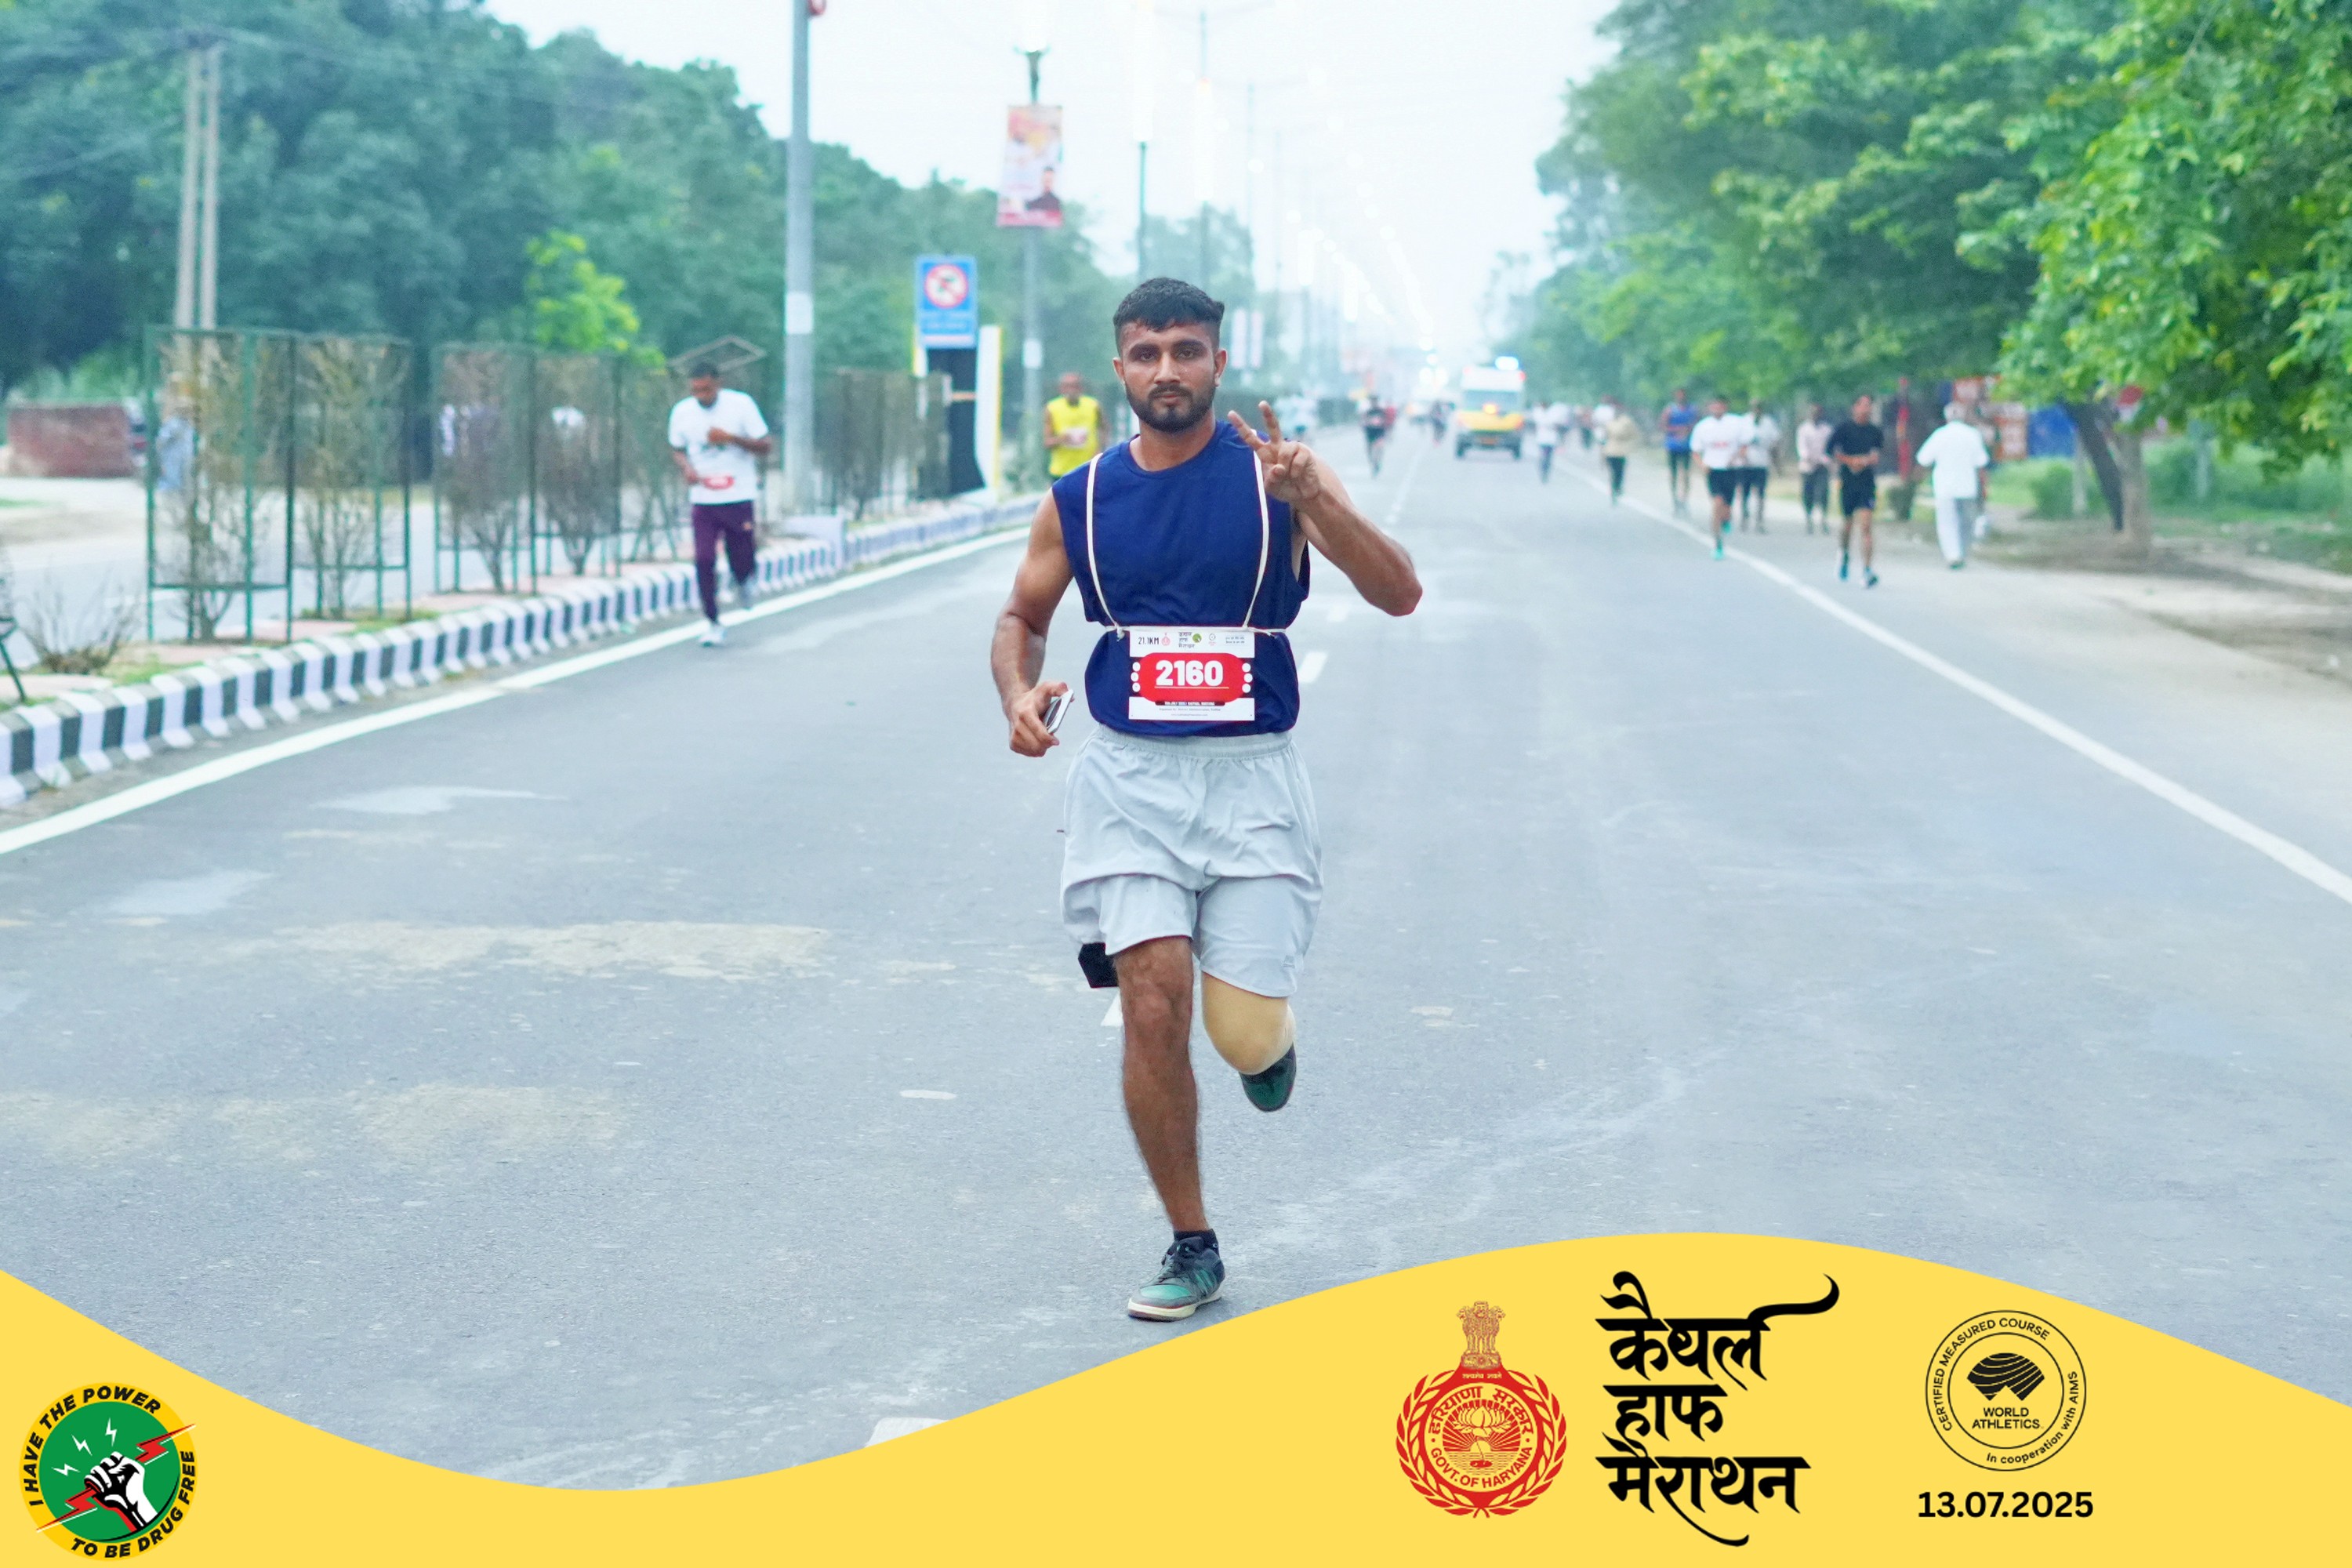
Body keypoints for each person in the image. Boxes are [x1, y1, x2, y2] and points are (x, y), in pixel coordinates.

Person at [990, 278, 1422, 1323]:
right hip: (1129, 782)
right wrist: (1017, 693)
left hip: (1252, 778)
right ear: (1121, 370)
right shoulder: (1081, 497)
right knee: (1151, 994)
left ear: (1219, 363)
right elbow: (1022, 616)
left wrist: (1316, 501)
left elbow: (1400, 591)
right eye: (1147, 354)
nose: (1168, 371)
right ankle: (1192, 1241)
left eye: (1187, 350)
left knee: (1240, 1034)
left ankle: (1265, 1043)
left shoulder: (1280, 476)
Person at [668, 361, 773, 647]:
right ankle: (713, 621)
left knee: (741, 554)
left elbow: (765, 446)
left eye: (706, 389)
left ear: (718, 384)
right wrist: (687, 468)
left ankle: (744, 580)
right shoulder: (682, 412)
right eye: (696, 391)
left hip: (738, 494)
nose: (701, 396)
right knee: (704, 559)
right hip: (704, 498)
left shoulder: (741, 405)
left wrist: (732, 439)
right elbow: (677, 448)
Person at [1915, 402, 1992, 568]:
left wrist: (1917, 478)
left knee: (1947, 522)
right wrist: (1984, 486)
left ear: (1947, 416)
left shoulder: (1940, 435)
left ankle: (1953, 555)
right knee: (1967, 523)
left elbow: (1923, 459)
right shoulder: (1972, 434)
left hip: (1945, 487)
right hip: (1967, 486)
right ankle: (1962, 553)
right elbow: (1981, 463)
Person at [1688, 395, 1756, 559]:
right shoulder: (1703, 427)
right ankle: (1717, 543)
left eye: (1720, 406)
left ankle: (1727, 518)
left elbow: (1745, 444)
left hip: (1731, 469)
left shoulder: (1736, 424)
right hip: (1713, 470)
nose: (1717, 409)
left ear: (1725, 407)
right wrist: (1702, 465)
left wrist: (1737, 457)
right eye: (1714, 406)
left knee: (1727, 506)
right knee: (1716, 505)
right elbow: (1695, 451)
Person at [1828, 393, 1885, 587]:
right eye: (1863, 405)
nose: (1867, 409)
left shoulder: (1875, 432)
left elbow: (1876, 455)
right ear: (1855, 407)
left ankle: (1867, 569)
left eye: (1869, 405)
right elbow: (1831, 451)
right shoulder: (1843, 429)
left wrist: (1865, 461)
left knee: (1867, 525)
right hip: (1848, 481)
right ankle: (1844, 553)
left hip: (1866, 482)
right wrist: (1850, 461)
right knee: (1848, 523)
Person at [1044, 371, 1104, 480]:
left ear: (1081, 388)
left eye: (1075, 386)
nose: (1071, 390)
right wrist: (1062, 439)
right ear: (1061, 389)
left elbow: (1104, 428)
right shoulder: (1052, 408)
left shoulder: (1093, 406)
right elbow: (1047, 442)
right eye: (1067, 386)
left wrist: (1100, 450)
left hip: (1088, 469)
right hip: (1061, 472)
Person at [1740, 400, 1780, 532]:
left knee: (1761, 493)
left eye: (1759, 408)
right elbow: (1739, 441)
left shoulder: (1769, 423)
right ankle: (1744, 517)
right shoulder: (1744, 421)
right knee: (1745, 493)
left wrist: (1776, 462)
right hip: (1746, 463)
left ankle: (1759, 520)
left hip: (1762, 462)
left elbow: (1775, 442)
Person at [1795, 403, 1834, 534]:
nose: (1815, 415)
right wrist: (1808, 457)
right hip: (1808, 466)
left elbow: (1829, 449)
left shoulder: (1827, 430)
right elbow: (1802, 448)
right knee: (1808, 493)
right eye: (1813, 413)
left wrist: (1824, 460)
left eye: (1817, 413)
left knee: (1823, 493)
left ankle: (1823, 518)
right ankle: (1809, 518)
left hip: (1822, 466)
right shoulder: (1803, 429)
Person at [1661, 388, 1697, 514]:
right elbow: (1663, 426)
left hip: (1687, 446)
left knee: (1686, 474)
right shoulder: (1670, 410)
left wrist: (1688, 430)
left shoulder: (1692, 409)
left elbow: (1696, 424)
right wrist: (1677, 430)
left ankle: (1685, 499)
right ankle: (1675, 499)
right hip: (1673, 445)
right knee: (1673, 473)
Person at [1600, 400, 1639, 504]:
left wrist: (1630, 443)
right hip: (1610, 450)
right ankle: (1614, 488)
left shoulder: (1627, 422)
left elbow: (1633, 434)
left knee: (1620, 471)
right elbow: (1605, 436)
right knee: (1613, 471)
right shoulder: (1609, 422)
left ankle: (1618, 487)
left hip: (1622, 450)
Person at [1360, 395, 1393, 476]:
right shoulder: (1368, 412)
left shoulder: (1381, 411)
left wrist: (1384, 426)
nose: (1373, 403)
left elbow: (1386, 420)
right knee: (1369, 449)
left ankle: (1378, 462)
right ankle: (1373, 462)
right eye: (1372, 401)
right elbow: (1364, 421)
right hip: (1370, 432)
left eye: (1375, 401)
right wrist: (1366, 424)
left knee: (1379, 448)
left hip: (1379, 432)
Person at [1533, 399, 1561, 482]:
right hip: (1542, 439)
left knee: (1549, 458)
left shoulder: (1554, 412)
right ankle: (1542, 469)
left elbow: (1557, 424)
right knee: (1543, 456)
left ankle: (1546, 472)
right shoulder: (1538, 413)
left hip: (1551, 439)